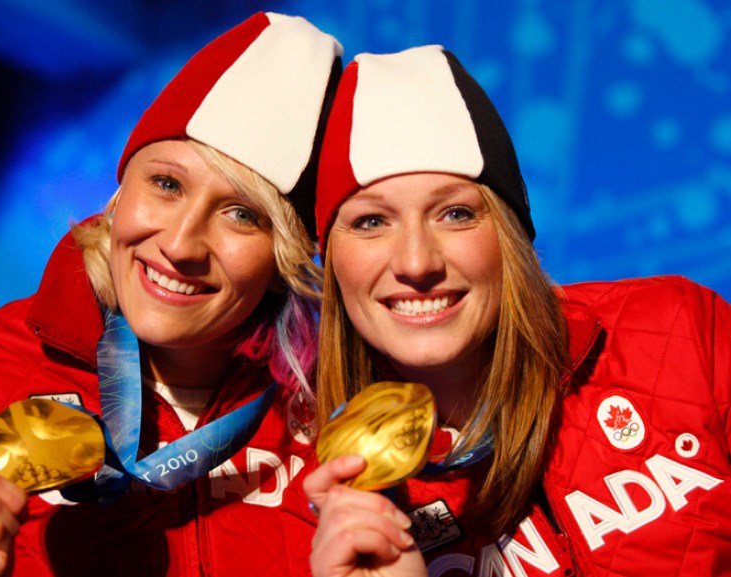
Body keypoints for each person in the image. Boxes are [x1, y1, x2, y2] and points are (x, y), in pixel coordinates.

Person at [0, 12, 342, 577]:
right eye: (166, 184)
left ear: (286, 257)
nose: (181, 244)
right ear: (119, 196)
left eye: (243, 214)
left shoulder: (337, 404)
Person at [284, 45, 731, 577]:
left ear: (510, 234)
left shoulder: (674, 329)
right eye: (370, 222)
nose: (416, 262)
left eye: (455, 213)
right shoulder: (315, 494)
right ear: (329, 260)